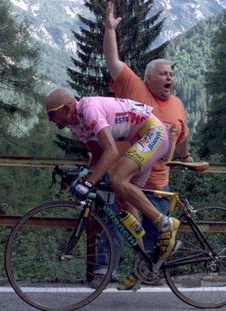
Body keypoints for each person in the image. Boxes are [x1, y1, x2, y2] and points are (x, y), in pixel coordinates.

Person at [98, 0, 194, 290]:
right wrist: (110, 29)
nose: (170, 78)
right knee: (113, 223)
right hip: (127, 176)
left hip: (158, 183)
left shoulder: (177, 104)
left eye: (172, 74)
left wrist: (188, 159)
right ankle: (103, 270)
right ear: (149, 77)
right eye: (164, 73)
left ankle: (146, 273)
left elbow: (182, 139)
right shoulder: (134, 87)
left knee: (154, 234)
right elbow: (112, 62)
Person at [45, 88, 181, 283]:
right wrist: (82, 177)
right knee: (125, 202)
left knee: (118, 180)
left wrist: (89, 182)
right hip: (139, 139)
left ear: (67, 108)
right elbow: (98, 156)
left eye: (52, 113)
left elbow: (111, 152)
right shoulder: (76, 123)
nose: (50, 119)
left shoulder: (89, 110)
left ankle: (166, 224)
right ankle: (147, 262)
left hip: (152, 132)